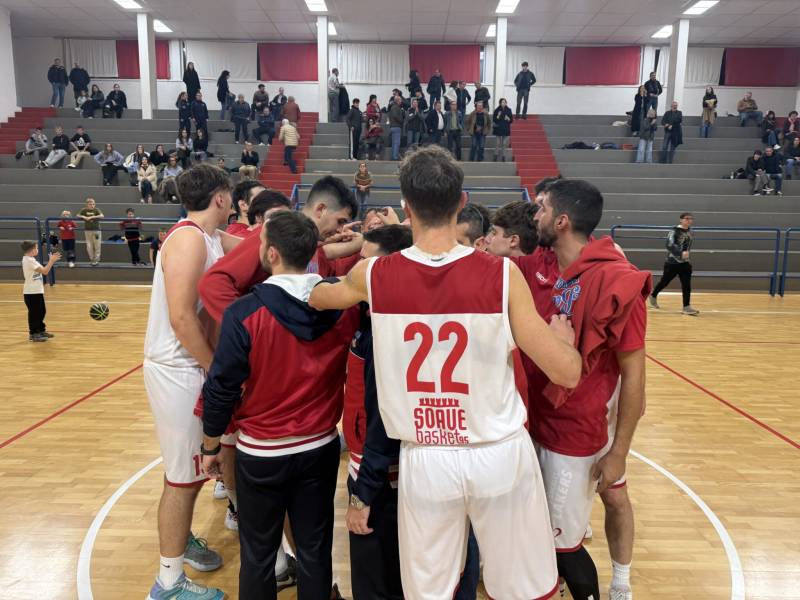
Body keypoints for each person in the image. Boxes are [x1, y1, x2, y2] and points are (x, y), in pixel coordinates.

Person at [308, 144, 580, 600]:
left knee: (430, 592)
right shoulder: (503, 276)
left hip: (426, 456)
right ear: (460, 202)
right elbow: (567, 373)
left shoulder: (371, 276)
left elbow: (319, 295)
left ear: (406, 207)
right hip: (498, 453)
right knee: (522, 591)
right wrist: (566, 345)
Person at [200, 209, 358, 599]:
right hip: (319, 447)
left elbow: (221, 388)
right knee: (315, 550)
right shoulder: (343, 307)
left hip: (262, 453)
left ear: (271, 253)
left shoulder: (245, 312)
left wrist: (210, 445)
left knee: (258, 554)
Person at [517, 178, 650, 600]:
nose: (532, 215)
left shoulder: (616, 281)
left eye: (539, 208)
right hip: (538, 423)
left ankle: (617, 586)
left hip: (576, 437)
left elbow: (635, 378)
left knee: (565, 548)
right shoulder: (551, 265)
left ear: (561, 221)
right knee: (543, 540)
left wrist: (619, 452)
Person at [143, 164, 238, 600]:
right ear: (220, 197)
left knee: (195, 472)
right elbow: (182, 317)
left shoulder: (211, 237)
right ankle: (167, 584)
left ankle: (181, 544)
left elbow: (259, 248)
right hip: (179, 369)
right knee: (182, 477)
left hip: (191, 368)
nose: (234, 203)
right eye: (231, 196)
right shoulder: (186, 239)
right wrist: (217, 369)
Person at [197, 175, 359, 322]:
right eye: (340, 221)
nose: (340, 229)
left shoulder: (312, 244)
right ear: (321, 209)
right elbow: (214, 284)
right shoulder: (277, 231)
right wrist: (248, 329)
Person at [649, 212, 698, 315]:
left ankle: (686, 307)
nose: (689, 221)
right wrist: (680, 253)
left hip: (685, 263)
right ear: (681, 220)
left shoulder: (690, 231)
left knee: (686, 285)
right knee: (664, 282)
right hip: (672, 263)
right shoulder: (674, 231)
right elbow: (669, 245)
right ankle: (653, 294)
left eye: (691, 219)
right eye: (686, 219)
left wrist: (685, 256)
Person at [21, 241, 60, 342]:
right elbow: (45, 271)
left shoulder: (31, 259)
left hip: (36, 291)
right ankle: (33, 333)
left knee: (41, 311)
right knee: (34, 313)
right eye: (37, 248)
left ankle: (40, 330)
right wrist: (51, 261)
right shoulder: (29, 261)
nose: (38, 250)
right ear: (32, 250)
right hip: (31, 292)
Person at [77, 198, 103, 266]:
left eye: (93, 204)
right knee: (89, 246)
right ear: (87, 205)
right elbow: (78, 215)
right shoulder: (84, 210)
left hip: (96, 230)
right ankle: (92, 259)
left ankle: (96, 260)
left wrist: (92, 217)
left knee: (97, 245)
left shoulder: (96, 210)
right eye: (90, 204)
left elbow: (102, 215)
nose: (92, 205)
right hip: (87, 230)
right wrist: (83, 217)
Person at [387, 96, 405, 161]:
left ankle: (393, 156)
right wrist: (401, 120)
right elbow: (395, 116)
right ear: (397, 101)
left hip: (393, 127)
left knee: (394, 143)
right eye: (400, 100)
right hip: (396, 126)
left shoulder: (393, 107)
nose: (401, 101)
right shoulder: (395, 107)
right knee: (396, 143)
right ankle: (395, 157)